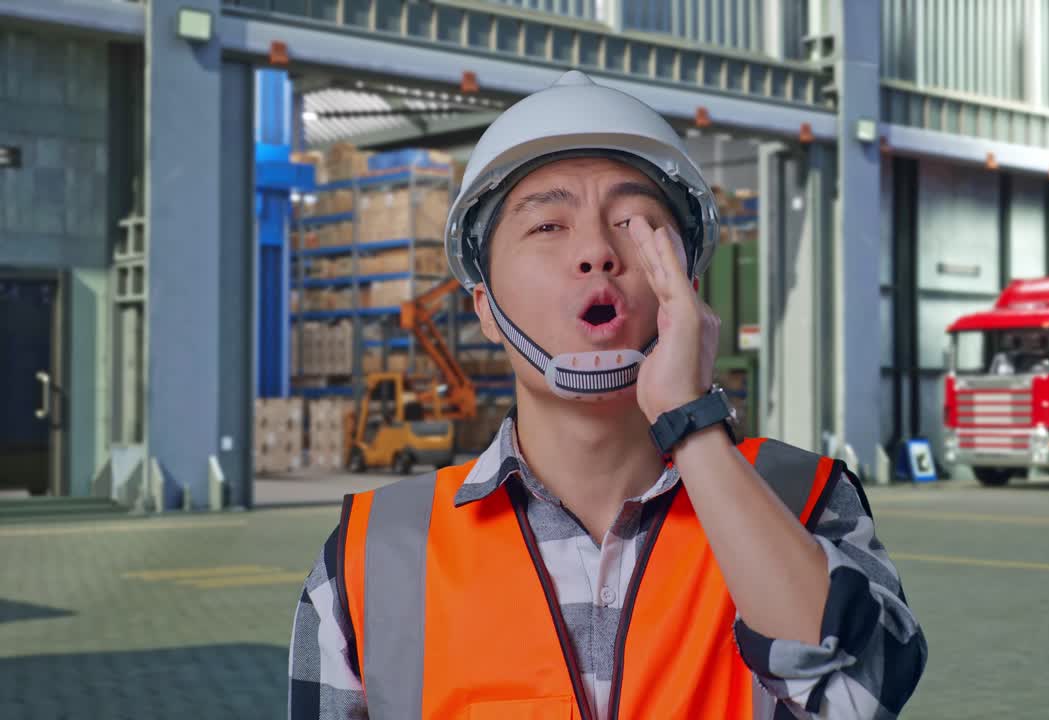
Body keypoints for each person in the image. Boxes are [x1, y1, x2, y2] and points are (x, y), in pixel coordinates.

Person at [288, 70, 926, 719]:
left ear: (686, 280)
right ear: (484, 305)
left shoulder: (802, 500)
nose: (595, 251)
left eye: (633, 222)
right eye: (547, 227)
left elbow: (861, 697)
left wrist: (695, 427)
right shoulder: (371, 555)